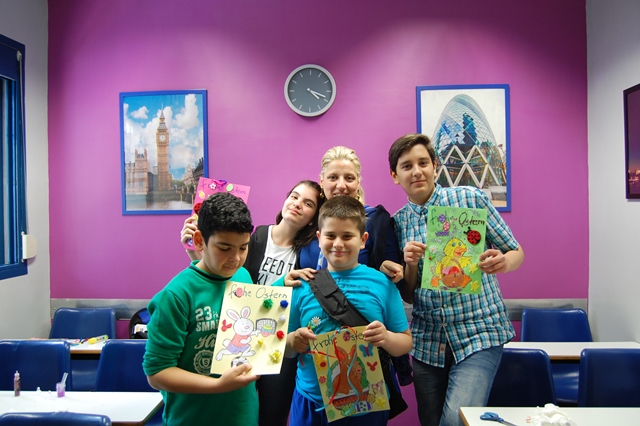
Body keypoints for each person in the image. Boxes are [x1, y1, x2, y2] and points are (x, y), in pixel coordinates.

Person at [387, 133, 525, 426]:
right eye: (407, 166)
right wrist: (410, 264)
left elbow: (516, 251)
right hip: (428, 340)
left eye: (423, 163)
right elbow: (409, 294)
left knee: (455, 421)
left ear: (435, 166)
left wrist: (503, 262)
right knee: (431, 421)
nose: (417, 171)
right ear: (395, 175)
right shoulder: (397, 223)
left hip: (479, 332)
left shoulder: (469, 199)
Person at [180, 180, 324, 426]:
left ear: (313, 218)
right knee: (235, 411)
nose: (298, 204)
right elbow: (225, 282)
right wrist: (195, 252)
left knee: (273, 416)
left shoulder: (309, 253)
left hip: (279, 344)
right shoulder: (254, 237)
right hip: (239, 339)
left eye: (308, 203)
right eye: (294, 196)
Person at [284, 195, 413, 426]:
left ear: (363, 240)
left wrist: (386, 338)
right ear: (319, 238)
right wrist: (293, 340)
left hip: (366, 405)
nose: (338, 244)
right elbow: (282, 346)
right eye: (330, 236)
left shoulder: (382, 283)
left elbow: (405, 342)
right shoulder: (302, 285)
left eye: (347, 236)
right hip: (311, 404)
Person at [143, 192, 260, 426]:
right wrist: (217, 385)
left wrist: (288, 341)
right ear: (199, 241)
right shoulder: (175, 296)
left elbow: (252, 337)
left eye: (243, 248)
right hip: (192, 418)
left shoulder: (243, 277)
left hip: (243, 416)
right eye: (224, 248)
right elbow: (157, 373)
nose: (236, 258)